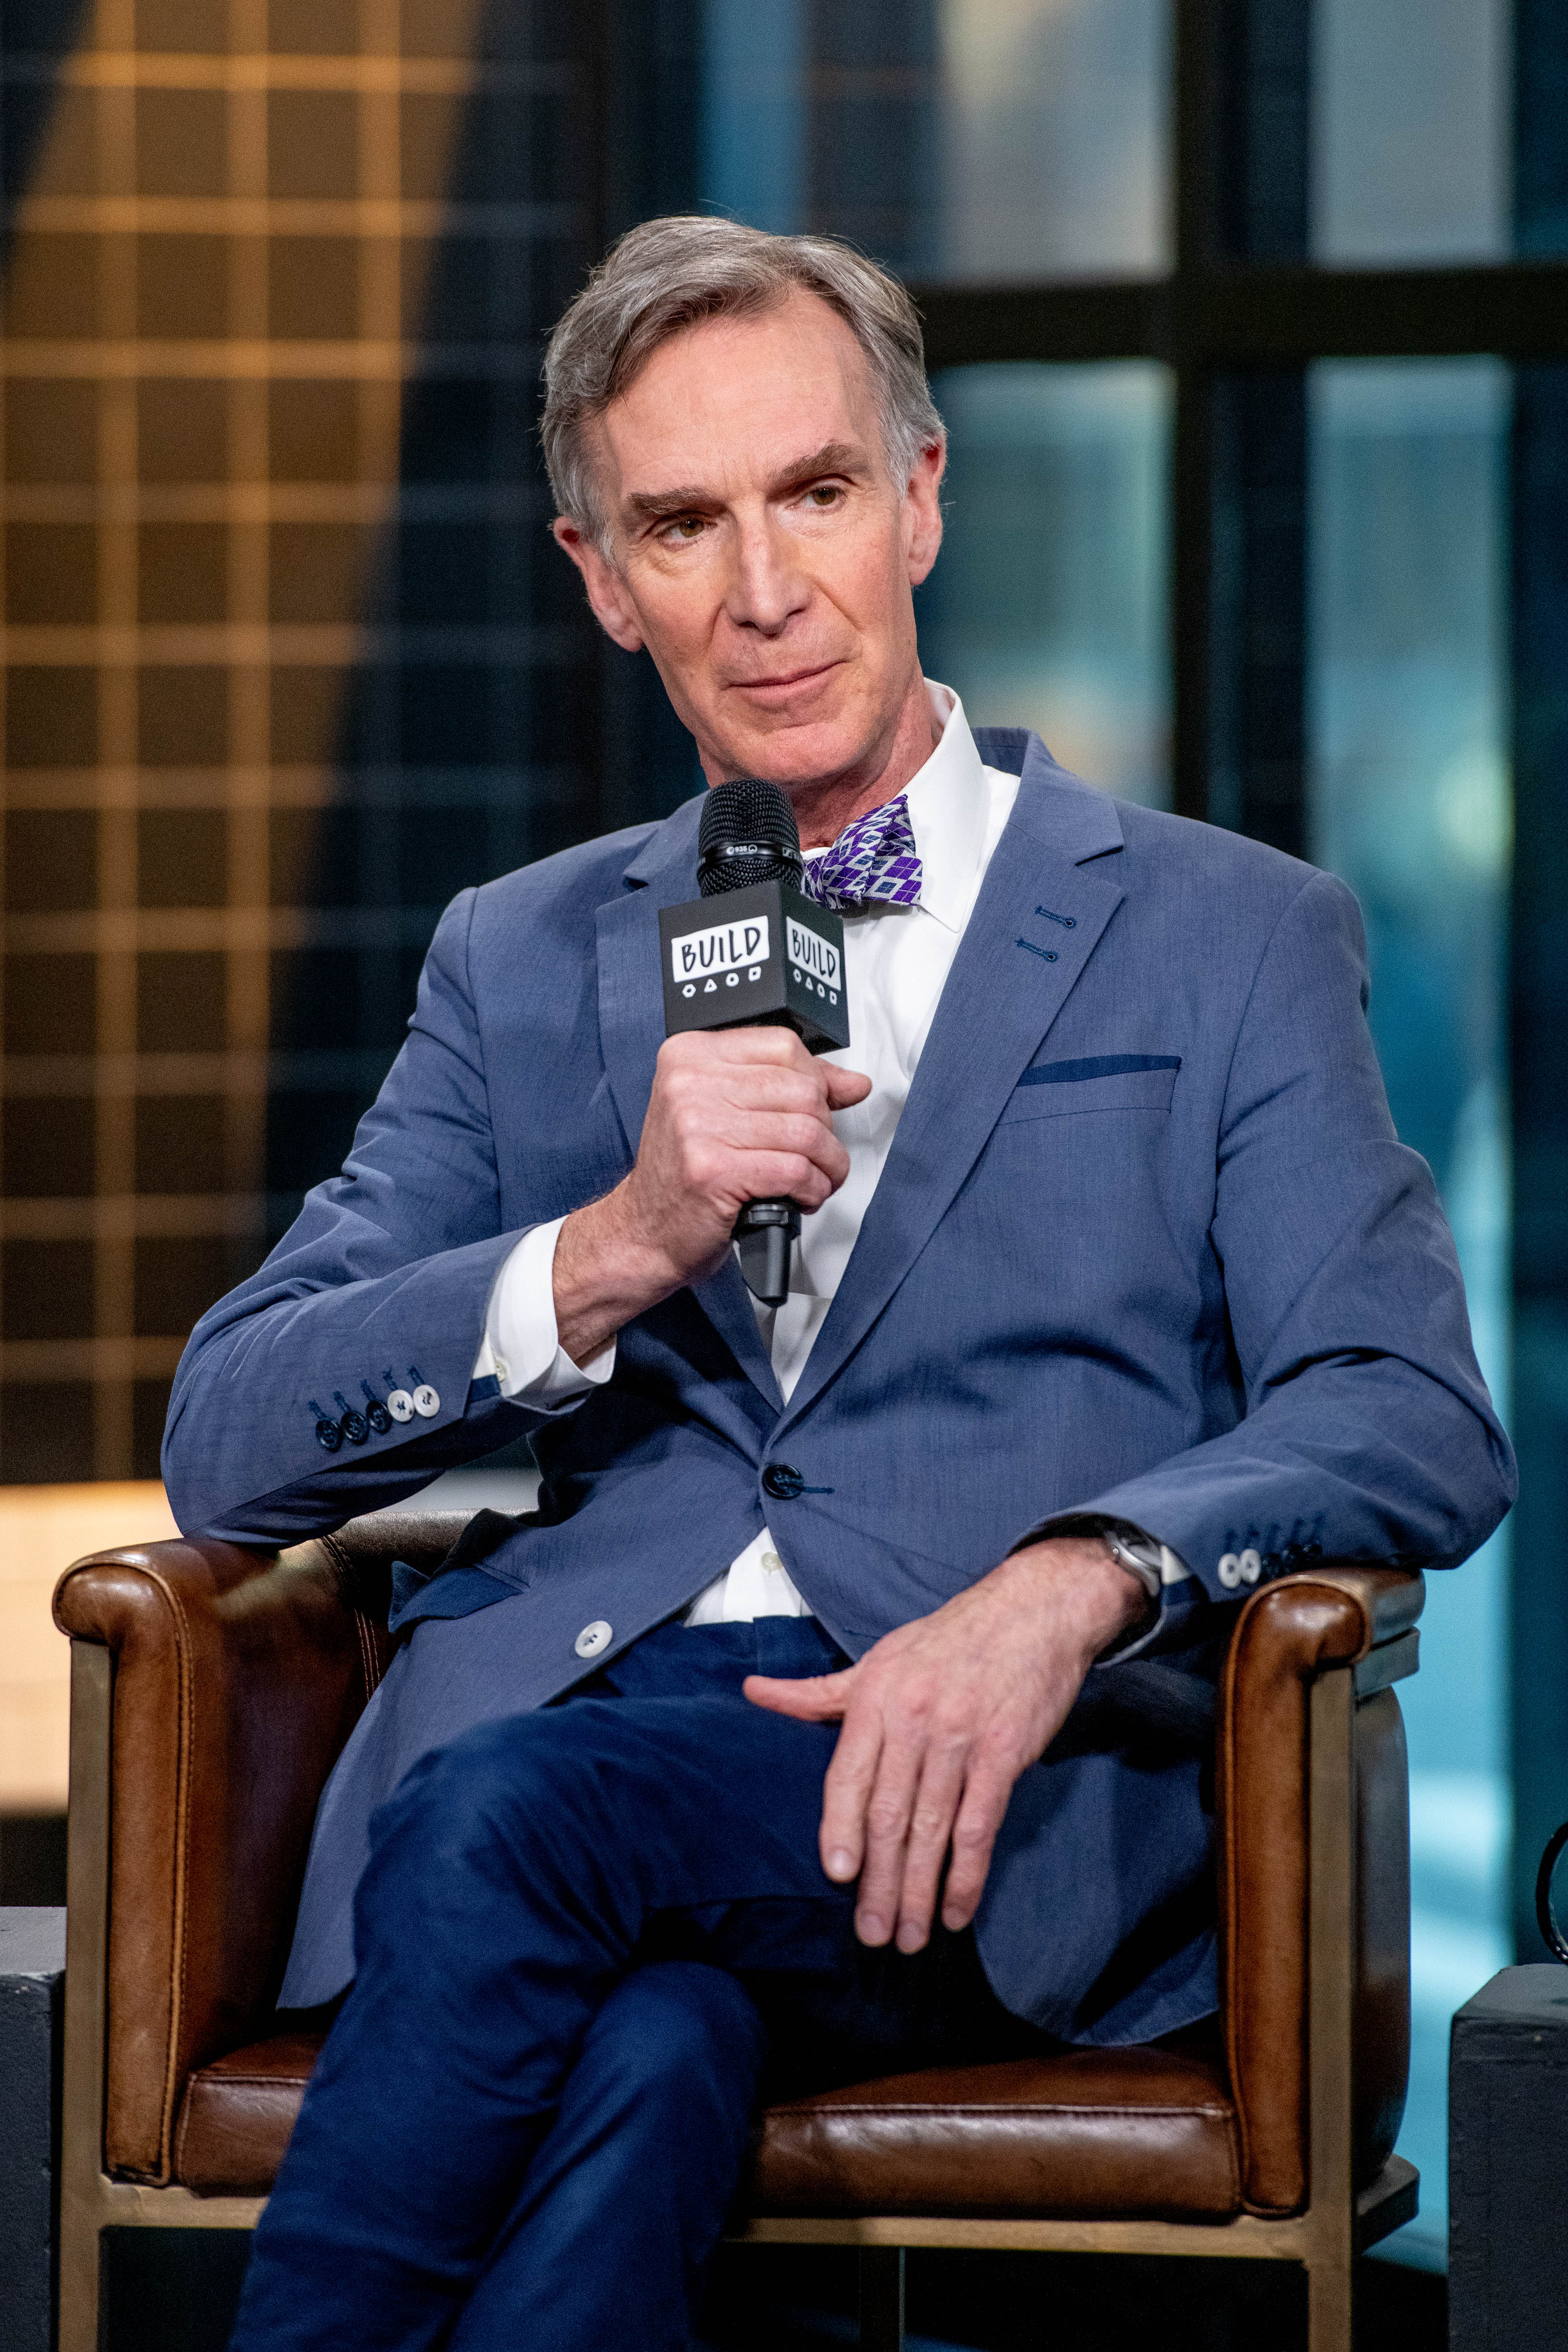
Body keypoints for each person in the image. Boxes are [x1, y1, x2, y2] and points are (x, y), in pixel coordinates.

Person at [166, 217, 1514, 2351]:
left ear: (918, 496)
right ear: (604, 582)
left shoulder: (1222, 934)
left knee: (510, 1820)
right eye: (680, 526)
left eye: (810, 492)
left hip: (981, 1803)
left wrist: (1070, 1578)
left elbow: (1407, 1407)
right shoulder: (517, 959)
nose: (764, 588)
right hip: (603, 1760)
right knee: (652, 2050)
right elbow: (227, 1432)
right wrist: (612, 1247)